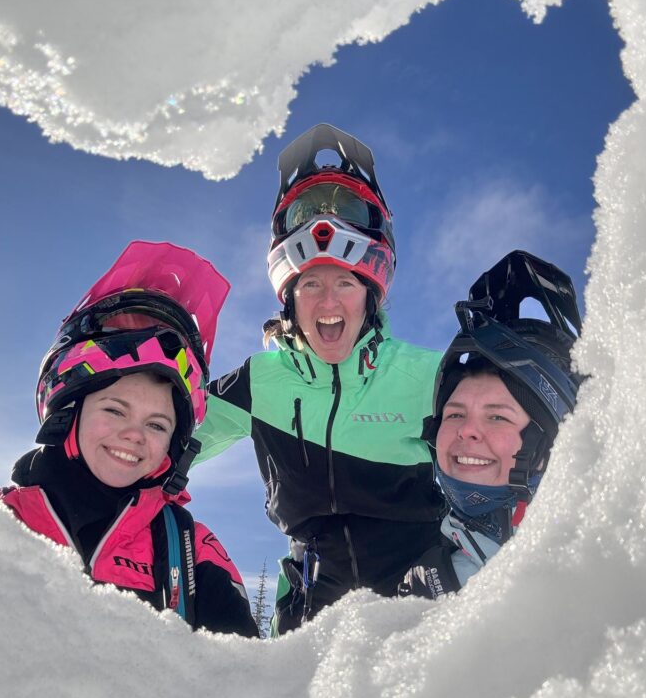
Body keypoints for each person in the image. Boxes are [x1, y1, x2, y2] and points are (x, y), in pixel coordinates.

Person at [193, 123, 444, 633]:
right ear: (290, 298)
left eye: (346, 283)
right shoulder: (259, 383)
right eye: (311, 284)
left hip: (425, 616)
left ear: (370, 295)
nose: (328, 303)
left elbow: (513, 445)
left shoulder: (428, 376)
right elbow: (167, 433)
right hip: (307, 627)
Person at [0, 240, 259, 637]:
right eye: (114, 410)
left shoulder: (192, 551)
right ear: (70, 410)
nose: (134, 435)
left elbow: (247, 683)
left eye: (157, 425)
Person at [399, 250, 584, 598]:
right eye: (454, 414)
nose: (466, 430)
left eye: (497, 416)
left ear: (547, 444)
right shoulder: (424, 587)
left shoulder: (606, 558)